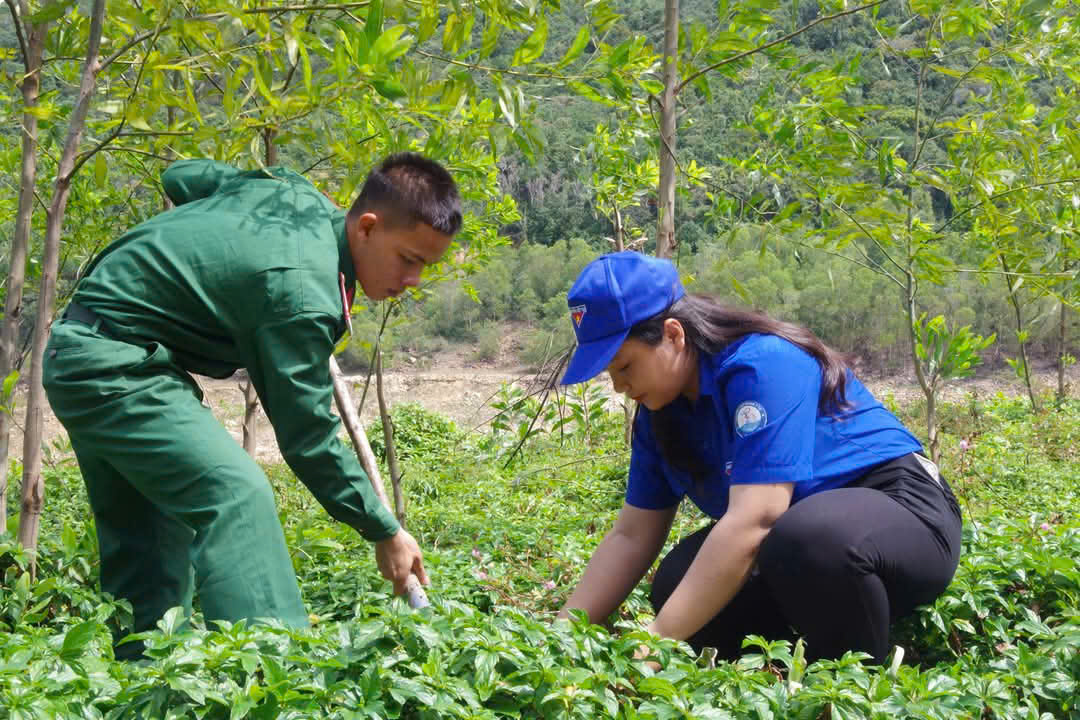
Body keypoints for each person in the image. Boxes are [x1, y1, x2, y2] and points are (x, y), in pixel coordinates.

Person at [43, 152, 461, 657]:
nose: (412, 281)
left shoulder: (290, 194)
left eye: (425, 267)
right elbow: (308, 437)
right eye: (409, 259)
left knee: (149, 551)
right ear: (367, 227)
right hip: (113, 365)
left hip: (85, 348)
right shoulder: (301, 292)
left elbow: (182, 174)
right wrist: (384, 530)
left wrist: (213, 238)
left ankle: (148, 688)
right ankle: (272, 680)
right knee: (237, 495)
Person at [556, 251, 962, 664]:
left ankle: (853, 684)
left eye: (625, 366)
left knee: (807, 539)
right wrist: (559, 637)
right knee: (677, 579)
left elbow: (756, 519)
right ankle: (783, 673)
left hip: (902, 513)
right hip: (798, 543)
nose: (620, 387)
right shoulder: (660, 417)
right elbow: (632, 536)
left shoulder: (763, 363)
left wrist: (655, 642)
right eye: (610, 375)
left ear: (674, 334)